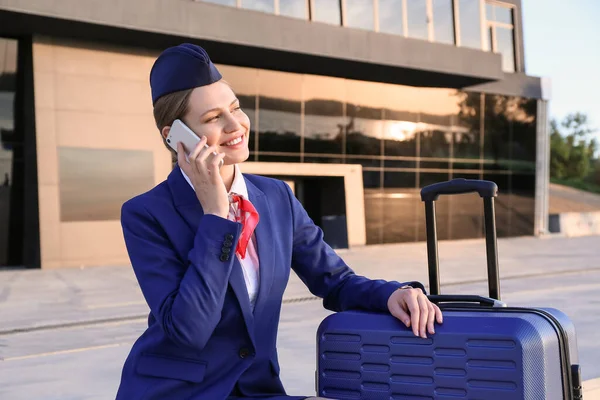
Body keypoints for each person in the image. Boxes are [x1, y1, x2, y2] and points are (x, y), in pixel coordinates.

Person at [115, 43, 443, 400]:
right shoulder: (146, 214)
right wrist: (216, 216)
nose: (235, 125)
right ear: (175, 137)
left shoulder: (275, 197)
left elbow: (334, 280)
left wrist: (391, 294)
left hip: (257, 390)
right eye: (213, 118)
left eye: (236, 108)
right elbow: (190, 329)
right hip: (175, 392)